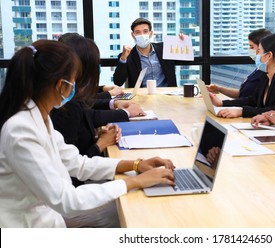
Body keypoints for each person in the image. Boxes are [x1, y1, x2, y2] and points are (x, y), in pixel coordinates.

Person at [0, 40, 175, 227]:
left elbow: (78, 163)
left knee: (129, 204)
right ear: (61, 85)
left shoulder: (39, 117)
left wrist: (136, 164)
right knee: (130, 211)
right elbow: (67, 201)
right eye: (75, 78)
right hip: (34, 225)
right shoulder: (20, 130)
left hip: (50, 213)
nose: (76, 86)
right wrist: (136, 182)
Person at [52, 34, 144, 162]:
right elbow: (72, 166)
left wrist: (97, 135)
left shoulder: (67, 97)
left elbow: (86, 117)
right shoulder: (65, 103)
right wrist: (101, 143)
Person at [209, 33, 275, 118]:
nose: (257, 55)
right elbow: (252, 100)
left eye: (260, 51)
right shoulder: (266, 74)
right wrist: (221, 103)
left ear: (269, 55)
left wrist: (241, 112)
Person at [206, 28, 272, 98]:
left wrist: (223, 103)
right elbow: (242, 94)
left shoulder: (268, 74)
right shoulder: (258, 69)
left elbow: (255, 103)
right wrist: (219, 89)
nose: (249, 50)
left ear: (262, 48)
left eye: (252, 47)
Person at [113, 17, 178, 88]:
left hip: (166, 94)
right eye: (137, 32)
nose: (142, 35)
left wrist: (183, 41)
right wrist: (123, 58)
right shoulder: (127, 56)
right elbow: (118, 82)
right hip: (141, 96)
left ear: (151, 33)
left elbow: (186, 56)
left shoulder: (165, 48)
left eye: (145, 31)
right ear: (133, 35)